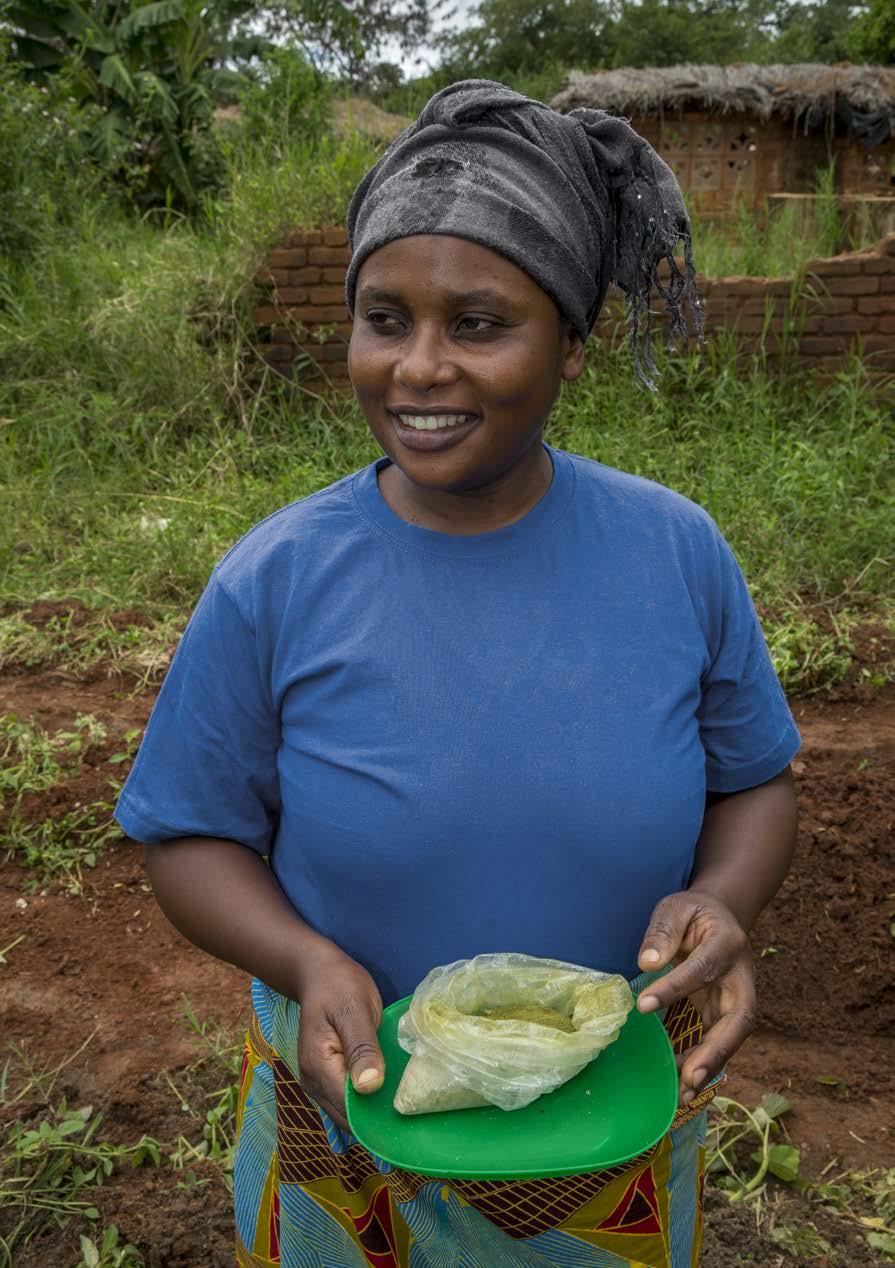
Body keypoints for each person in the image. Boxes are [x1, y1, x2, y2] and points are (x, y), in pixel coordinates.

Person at [116, 80, 799, 1267]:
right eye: (386, 318)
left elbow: (754, 781)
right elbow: (189, 835)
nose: (419, 367)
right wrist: (304, 956)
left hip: (605, 1116)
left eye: (479, 323)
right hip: (352, 1113)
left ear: (572, 344)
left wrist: (724, 898)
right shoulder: (277, 577)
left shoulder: (673, 551)